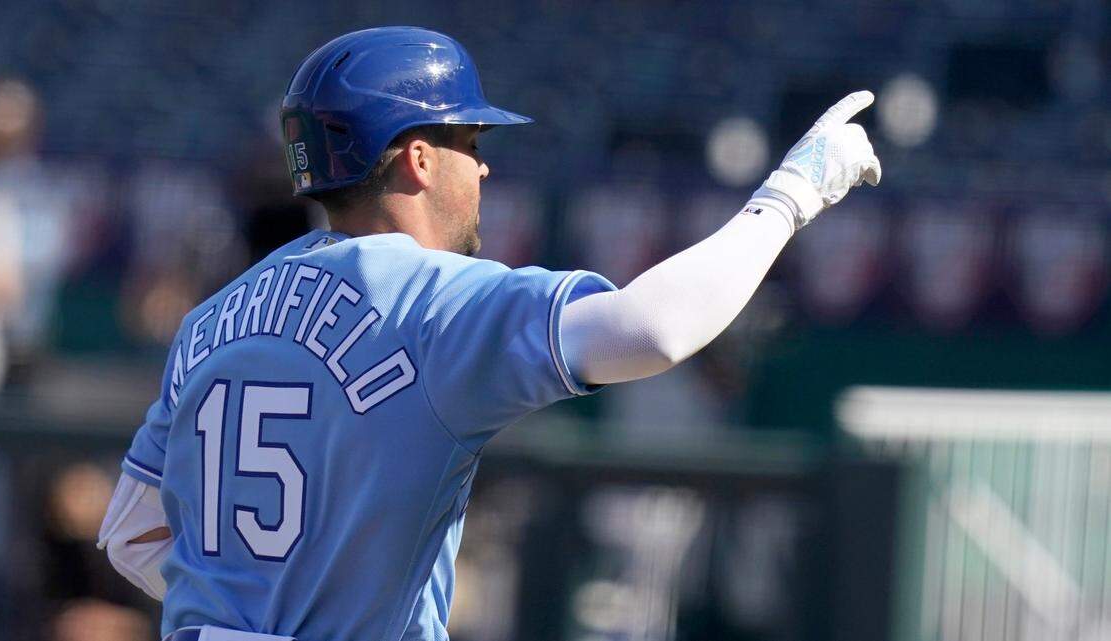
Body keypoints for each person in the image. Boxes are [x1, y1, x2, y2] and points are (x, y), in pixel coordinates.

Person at [99, 26, 880, 641]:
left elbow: (134, 534)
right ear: (417, 159)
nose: (484, 171)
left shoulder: (215, 317)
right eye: (470, 145)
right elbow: (654, 327)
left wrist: (258, 612)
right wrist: (792, 194)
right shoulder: (435, 299)